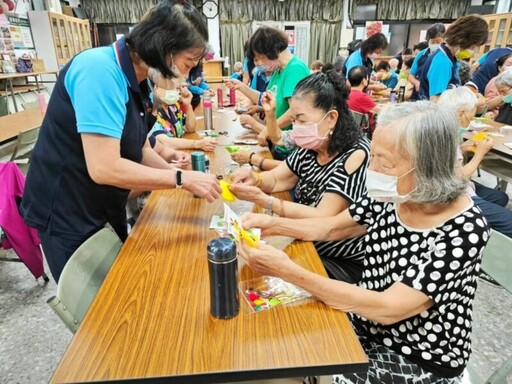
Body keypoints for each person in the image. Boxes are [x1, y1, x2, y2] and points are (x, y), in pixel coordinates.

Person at [238, 101, 491, 383]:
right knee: (285, 335)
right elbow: (333, 227)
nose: (373, 169)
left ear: (427, 167)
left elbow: (389, 308)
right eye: (373, 157)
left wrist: (287, 270)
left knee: (318, 367)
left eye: (384, 161)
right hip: (366, 322)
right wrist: (275, 224)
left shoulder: (465, 229)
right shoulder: (394, 194)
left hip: (418, 354)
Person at [20, 0, 221, 282]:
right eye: (187, 64)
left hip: (104, 203)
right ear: (163, 48)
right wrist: (180, 179)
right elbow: (104, 167)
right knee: (98, 311)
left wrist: (185, 176)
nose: (186, 75)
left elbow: (139, 147)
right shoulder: (100, 71)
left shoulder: (141, 80)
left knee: (120, 282)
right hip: (69, 209)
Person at [230, 70, 371, 283]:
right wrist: (255, 180)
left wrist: (267, 202)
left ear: (331, 118)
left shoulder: (357, 154)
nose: (295, 128)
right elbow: (278, 178)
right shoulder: (312, 145)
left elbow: (323, 216)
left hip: (338, 259)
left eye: (301, 120)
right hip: (307, 242)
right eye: (293, 119)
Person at [225, 26, 310, 160]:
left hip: (290, 150)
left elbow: (295, 111)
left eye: (259, 57)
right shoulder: (279, 70)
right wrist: (241, 86)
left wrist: (267, 130)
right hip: (278, 143)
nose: (257, 63)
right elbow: (265, 99)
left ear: (272, 51)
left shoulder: (295, 69)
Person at [439, 87, 512, 238]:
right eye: (472, 113)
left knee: (501, 197)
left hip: (456, 186)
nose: (473, 117)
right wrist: (479, 154)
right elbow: (456, 179)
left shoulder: (443, 128)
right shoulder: (444, 136)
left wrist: (462, 148)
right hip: (452, 193)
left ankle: (480, 227)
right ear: (461, 112)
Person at [419, 15, 488, 101]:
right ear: (462, 39)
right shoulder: (442, 62)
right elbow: (436, 100)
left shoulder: (451, 59)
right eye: (473, 47)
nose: (473, 51)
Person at [149, 82, 217, 152]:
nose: (173, 91)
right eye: (168, 87)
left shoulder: (173, 106)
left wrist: (188, 105)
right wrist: (197, 144)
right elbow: (164, 141)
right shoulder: (150, 108)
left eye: (177, 88)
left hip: (178, 154)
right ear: (156, 87)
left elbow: (190, 128)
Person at [408, 23, 446, 100]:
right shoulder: (421, 55)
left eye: (438, 42)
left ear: (444, 40)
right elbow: (411, 76)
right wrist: (416, 83)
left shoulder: (446, 57)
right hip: (418, 95)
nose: (435, 44)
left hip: (437, 96)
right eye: (432, 42)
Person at [346, 66, 381, 134]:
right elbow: (380, 111)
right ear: (363, 81)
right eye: (367, 78)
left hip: (351, 130)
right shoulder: (361, 97)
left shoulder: (347, 94)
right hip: (363, 132)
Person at [483, 53, 512, 119]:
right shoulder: (496, 81)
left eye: (503, 92)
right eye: (509, 64)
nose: (501, 94)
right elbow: (488, 105)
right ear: (499, 67)